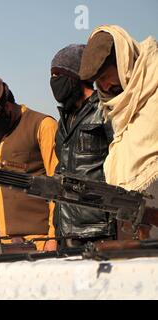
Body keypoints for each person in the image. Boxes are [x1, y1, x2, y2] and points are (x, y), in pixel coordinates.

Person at [79, 25, 158, 238]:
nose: (103, 86)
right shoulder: (116, 108)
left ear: (123, 61)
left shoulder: (154, 91)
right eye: (98, 81)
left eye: (105, 75)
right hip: (136, 232)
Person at [0, 78, 58, 251]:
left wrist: (53, 238)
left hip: (37, 240)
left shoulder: (43, 125)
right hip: (0, 242)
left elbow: (57, 187)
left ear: (7, 106)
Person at [50, 44, 115, 248]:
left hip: (97, 229)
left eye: (57, 75)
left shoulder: (105, 110)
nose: (53, 82)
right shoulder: (63, 120)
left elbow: (118, 166)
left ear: (75, 76)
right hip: (65, 230)